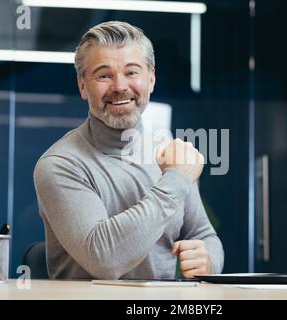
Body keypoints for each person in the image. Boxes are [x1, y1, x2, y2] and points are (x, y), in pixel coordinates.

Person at [33, 21, 224, 280]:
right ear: (82, 86)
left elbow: (203, 234)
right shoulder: (60, 164)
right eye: (104, 75)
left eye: (132, 72)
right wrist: (177, 179)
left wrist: (209, 260)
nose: (120, 86)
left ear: (151, 78)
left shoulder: (169, 154)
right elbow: (104, 260)